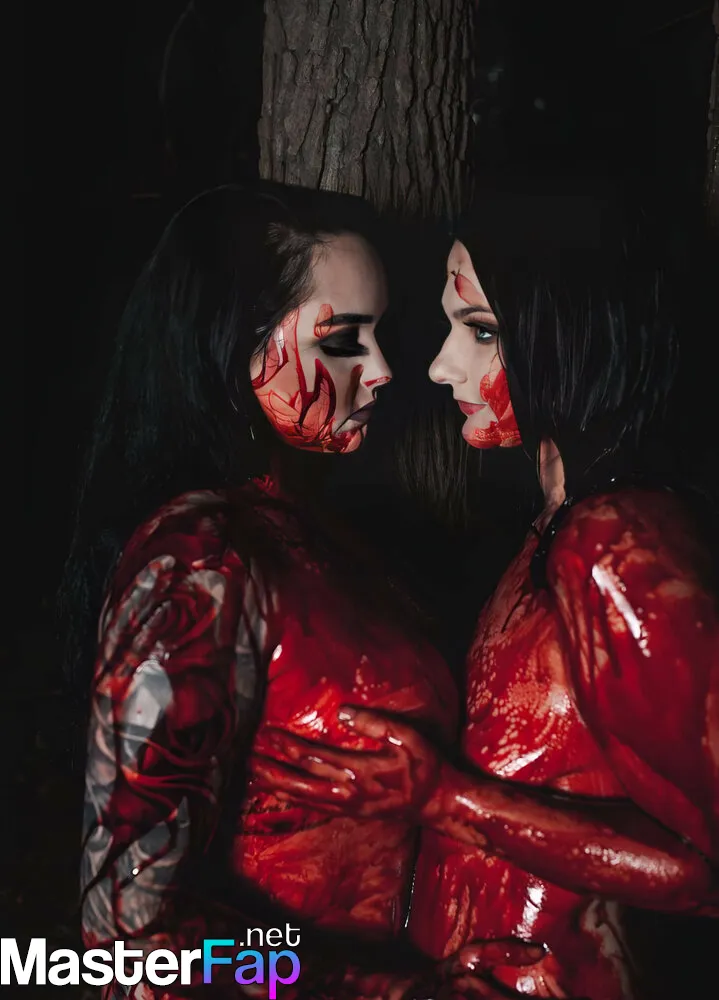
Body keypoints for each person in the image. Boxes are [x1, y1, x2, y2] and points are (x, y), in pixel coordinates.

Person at [255, 225, 719, 998]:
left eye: (479, 330)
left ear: (570, 336)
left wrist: (442, 796)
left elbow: (707, 869)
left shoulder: (615, 542)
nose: (441, 365)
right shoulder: (559, 524)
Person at [60, 183, 474, 1000]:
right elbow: (126, 938)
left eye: (378, 334)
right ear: (234, 344)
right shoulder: (197, 563)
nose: (382, 371)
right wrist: (388, 991)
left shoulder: (310, 533)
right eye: (343, 340)